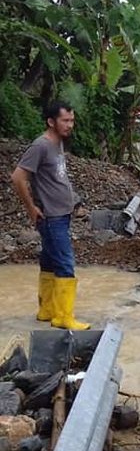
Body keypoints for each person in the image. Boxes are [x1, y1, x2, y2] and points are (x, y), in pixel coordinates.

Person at [10, 101, 90, 330]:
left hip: (61, 214)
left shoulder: (58, 143)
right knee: (65, 263)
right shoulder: (41, 146)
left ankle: (47, 310)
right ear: (51, 121)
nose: (70, 125)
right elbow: (18, 177)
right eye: (65, 121)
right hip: (51, 216)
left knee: (48, 261)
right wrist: (31, 207)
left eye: (72, 120)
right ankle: (64, 317)